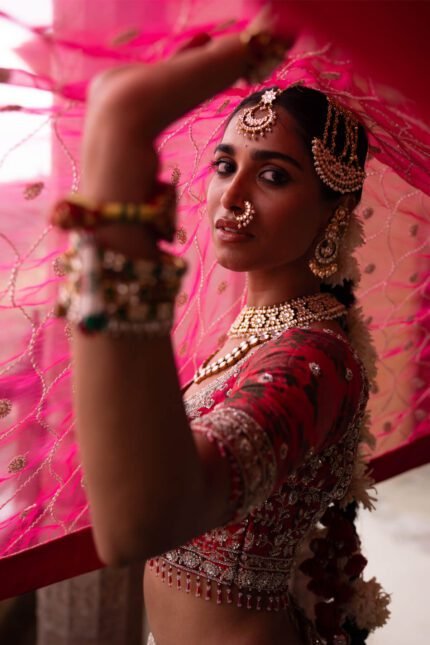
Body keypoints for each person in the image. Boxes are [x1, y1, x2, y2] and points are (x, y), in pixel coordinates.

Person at [47, 16, 389, 645]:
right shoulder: (255, 328)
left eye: (274, 175)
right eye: (225, 165)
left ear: (334, 212)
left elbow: (140, 524)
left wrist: (119, 146)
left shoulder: (316, 358)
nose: (231, 197)